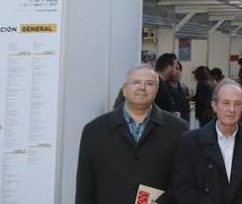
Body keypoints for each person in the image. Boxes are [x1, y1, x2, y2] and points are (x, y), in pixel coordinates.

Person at [76, 65, 188, 204]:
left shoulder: (178, 130)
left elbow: (184, 181)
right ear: (124, 90)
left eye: (149, 83)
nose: (142, 87)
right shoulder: (94, 131)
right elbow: (85, 186)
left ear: (157, 90)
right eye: (136, 82)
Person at [173, 79, 242, 204]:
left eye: (237, 103)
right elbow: (183, 188)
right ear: (214, 105)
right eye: (226, 103)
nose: (232, 109)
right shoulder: (190, 141)